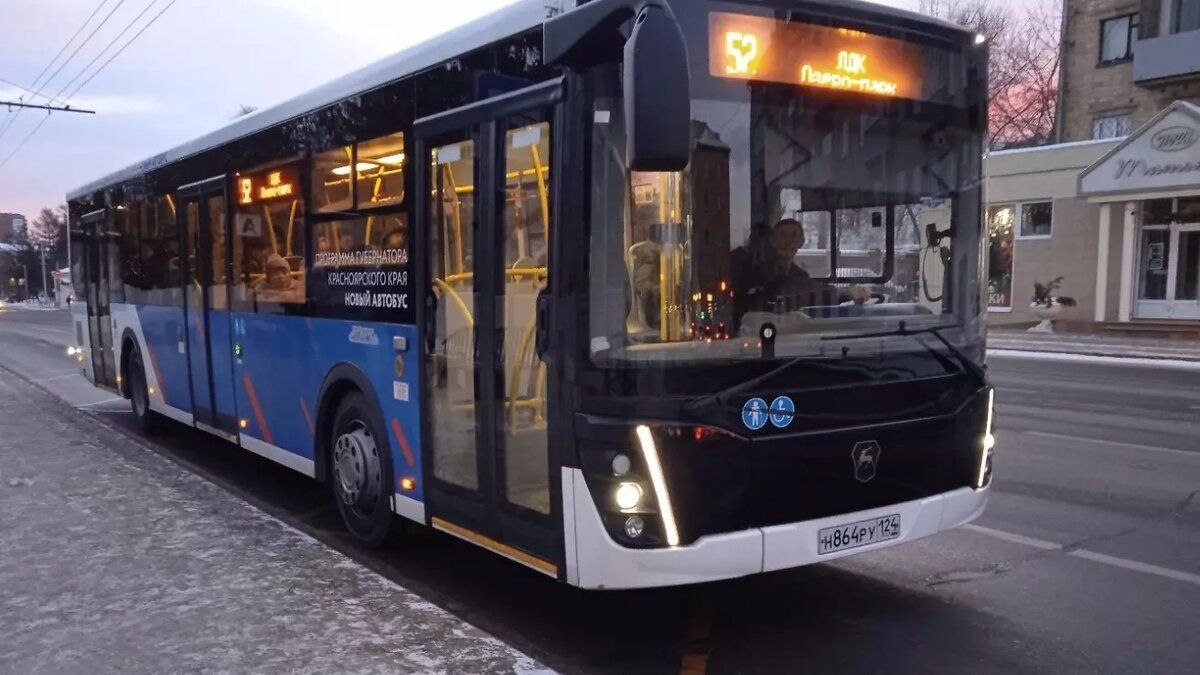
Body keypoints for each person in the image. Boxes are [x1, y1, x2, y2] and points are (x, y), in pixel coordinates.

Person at [730, 218, 838, 322]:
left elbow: (810, 289)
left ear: (801, 242)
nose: (788, 241)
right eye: (782, 235)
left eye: (793, 235)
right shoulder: (753, 271)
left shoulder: (800, 276)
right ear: (772, 240)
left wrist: (840, 293)